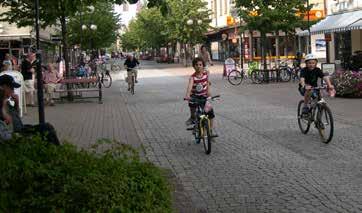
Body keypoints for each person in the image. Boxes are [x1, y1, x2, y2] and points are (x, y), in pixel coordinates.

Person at [0, 74, 60, 145]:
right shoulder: (2, 103)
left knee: (47, 127)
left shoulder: (7, 102)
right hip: (17, 133)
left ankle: (57, 149)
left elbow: (17, 116)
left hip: (22, 128)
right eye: (11, 88)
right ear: (3, 87)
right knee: (46, 131)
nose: (13, 91)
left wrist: (16, 103)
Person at [184, 57, 217, 136]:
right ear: (193, 66)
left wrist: (209, 94)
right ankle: (192, 117)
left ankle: (210, 130)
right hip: (194, 97)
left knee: (210, 113)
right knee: (192, 104)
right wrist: (187, 95)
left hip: (203, 97)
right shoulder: (192, 77)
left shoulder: (206, 75)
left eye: (200, 64)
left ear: (203, 66)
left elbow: (208, 84)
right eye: (196, 65)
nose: (198, 66)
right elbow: (189, 87)